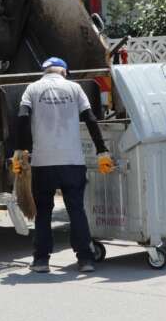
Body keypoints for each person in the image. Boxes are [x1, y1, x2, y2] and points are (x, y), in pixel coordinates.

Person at [18, 57, 113, 274]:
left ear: (44, 72)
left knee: (43, 211)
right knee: (76, 209)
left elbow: (22, 118)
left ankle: (41, 260)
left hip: (43, 162)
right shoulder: (75, 88)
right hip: (72, 162)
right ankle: (85, 260)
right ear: (65, 72)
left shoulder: (32, 89)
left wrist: (19, 150)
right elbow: (90, 118)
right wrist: (101, 150)